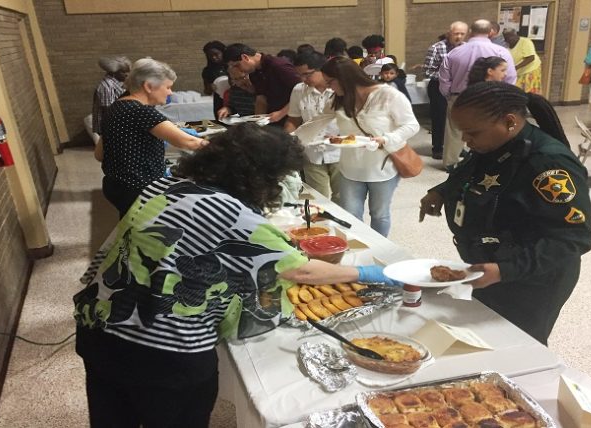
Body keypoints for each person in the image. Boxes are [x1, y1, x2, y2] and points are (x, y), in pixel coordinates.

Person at [75, 123, 398, 428]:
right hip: (166, 354)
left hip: (101, 331)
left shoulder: (167, 184)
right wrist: (370, 272)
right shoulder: (231, 213)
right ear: (259, 176)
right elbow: (301, 268)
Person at [418, 82, 591, 344]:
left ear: (510, 122)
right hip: (491, 265)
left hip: (531, 278)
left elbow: (575, 237)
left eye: (472, 133)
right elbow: (474, 175)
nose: (466, 139)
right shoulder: (491, 145)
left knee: (516, 345)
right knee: (486, 337)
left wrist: (505, 270)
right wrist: (443, 191)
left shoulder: (548, 164)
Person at [321, 57, 420, 237]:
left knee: (379, 215)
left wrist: (386, 139)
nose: (329, 87)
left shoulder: (388, 94)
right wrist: (333, 137)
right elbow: (325, 121)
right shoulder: (339, 99)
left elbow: (411, 125)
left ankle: (379, 254)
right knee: (350, 215)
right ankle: (358, 250)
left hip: (382, 167)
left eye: (331, 82)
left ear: (344, 78)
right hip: (350, 168)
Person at [101, 58, 207, 218]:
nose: (170, 92)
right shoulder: (141, 111)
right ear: (149, 86)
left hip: (115, 185)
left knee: (131, 226)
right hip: (138, 188)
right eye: (168, 87)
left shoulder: (115, 106)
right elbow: (188, 141)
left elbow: (99, 154)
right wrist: (224, 146)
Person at [440, 19, 517, 171]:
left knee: (454, 129)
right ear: (491, 32)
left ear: (470, 32)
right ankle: (482, 160)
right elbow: (510, 77)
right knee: (486, 127)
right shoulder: (501, 52)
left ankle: (450, 162)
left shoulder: (454, 52)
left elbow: (444, 79)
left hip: (460, 96)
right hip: (490, 97)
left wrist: (449, 95)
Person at [284, 51, 341, 202]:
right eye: (300, 75)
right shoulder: (299, 90)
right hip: (311, 151)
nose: (303, 79)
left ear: (322, 69)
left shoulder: (339, 89)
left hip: (341, 151)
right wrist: (287, 142)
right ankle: (324, 225)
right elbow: (293, 120)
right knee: (318, 199)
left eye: (307, 74)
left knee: (342, 198)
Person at [224, 43, 302, 126]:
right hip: (272, 118)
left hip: (292, 117)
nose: (238, 70)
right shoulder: (254, 72)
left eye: (236, 65)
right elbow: (261, 98)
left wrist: (281, 113)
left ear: (245, 57)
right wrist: (257, 122)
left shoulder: (278, 65)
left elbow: (302, 92)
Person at [423, 21, 468, 160]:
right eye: (456, 33)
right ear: (449, 33)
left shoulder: (467, 48)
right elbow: (427, 71)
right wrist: (447, 78)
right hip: (438, 87)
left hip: (460, 88)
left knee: (459, 119)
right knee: (440, 118)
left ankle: (457, 147)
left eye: (462, 34)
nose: (459, 36)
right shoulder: (437, 48)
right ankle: (438, 147)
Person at [91, 56, 130, 146]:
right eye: (124, 72)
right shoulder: (106, 86)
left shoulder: (118, 83)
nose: (127, 74)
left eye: (128, 71)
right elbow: (108, 110)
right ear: (114, 73)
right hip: (109, 126)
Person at [503, 30, 542, 94]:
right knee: (518, 90)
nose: (508, 40)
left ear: (515, 36)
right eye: (506, 38)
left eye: (510, 37)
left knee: (529, 91)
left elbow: (531, 58)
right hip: (518, 72)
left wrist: (516, 67)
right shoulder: (507, 46)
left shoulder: (525, 42)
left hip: (530, 70)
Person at [201, 41, 228, 115]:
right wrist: (210, 87)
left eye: (216, 54)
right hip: (219, 101)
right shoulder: (208, 71)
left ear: (223, 52)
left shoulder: (231, 65)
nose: (213, 57)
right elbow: (207, 91)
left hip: (235, 98)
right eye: (210, 55)